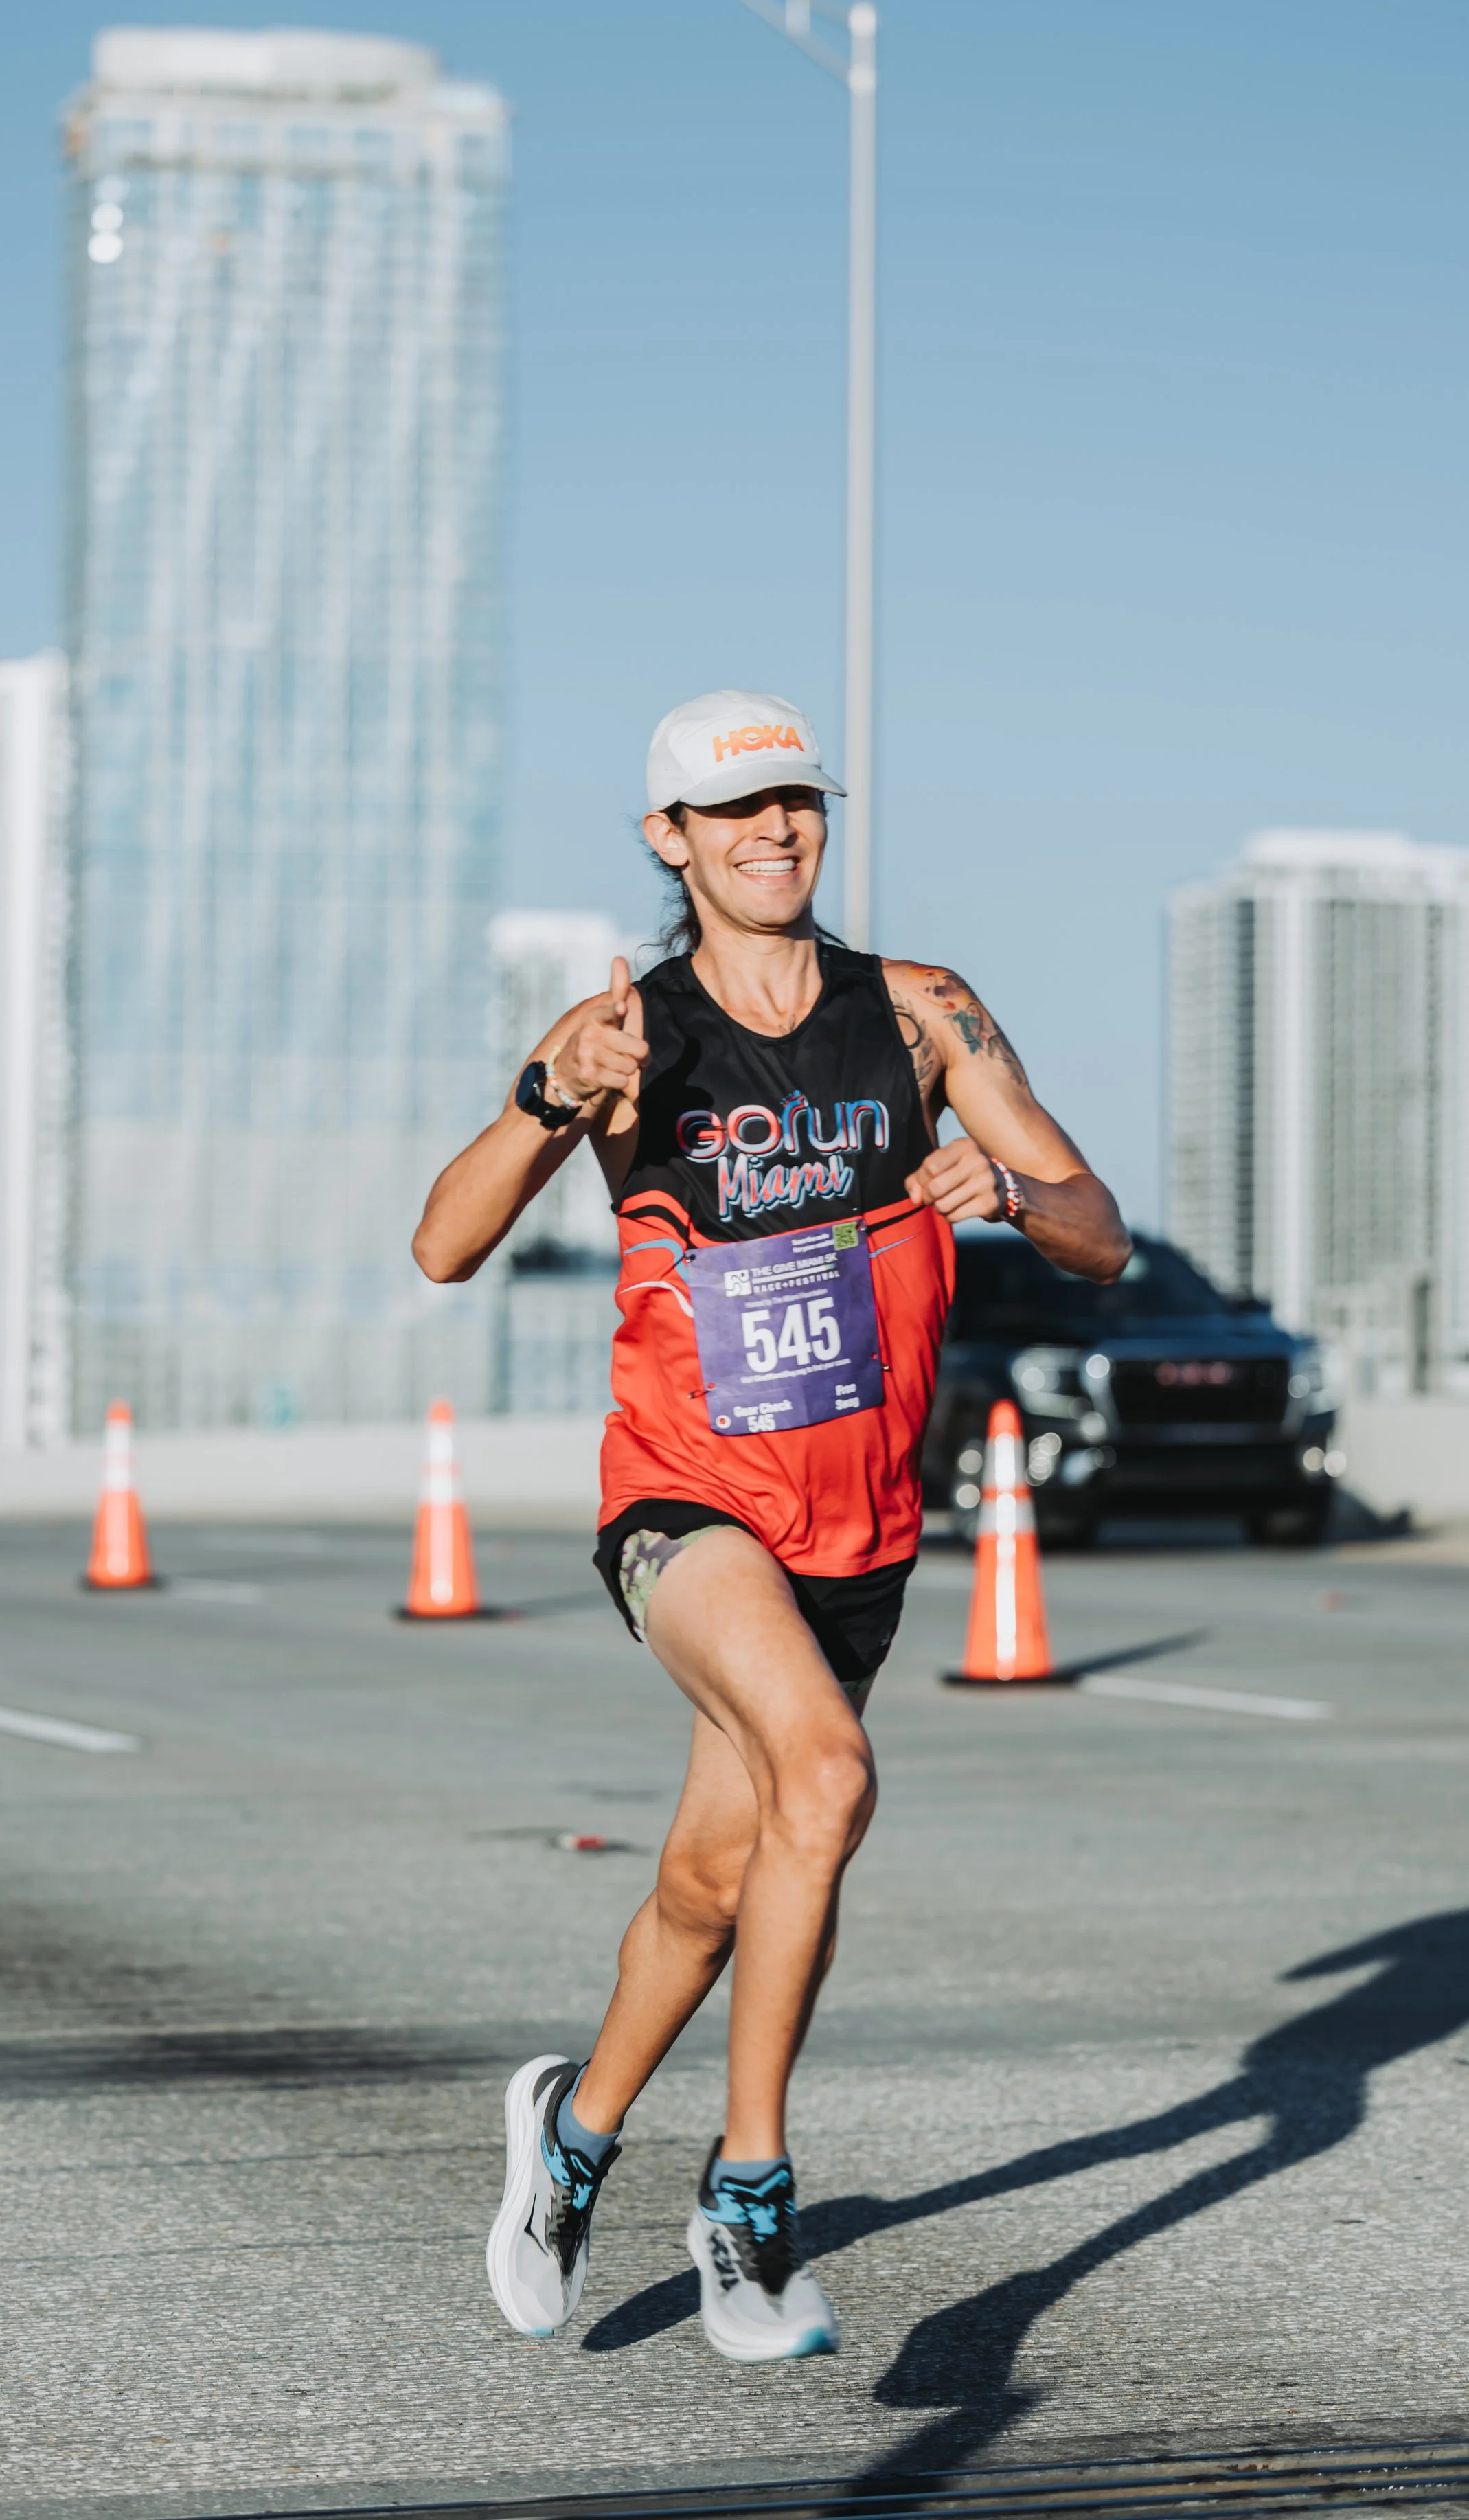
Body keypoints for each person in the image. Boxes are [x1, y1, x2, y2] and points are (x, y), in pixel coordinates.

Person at [413, 689, 1129, 2361]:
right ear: (671, 839)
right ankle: (749, 2203)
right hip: (683, 1502)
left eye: (794, 800)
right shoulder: (626, 1036)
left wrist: (1007, 1194)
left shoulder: (922, 1011)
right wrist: (541, 1092)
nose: (773, 831)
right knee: (825, 1775)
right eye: (733, 811)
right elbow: (443, 1246)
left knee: (708, 1883)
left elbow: (1095, 1228)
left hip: (858, 1527)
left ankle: (568, 2139)